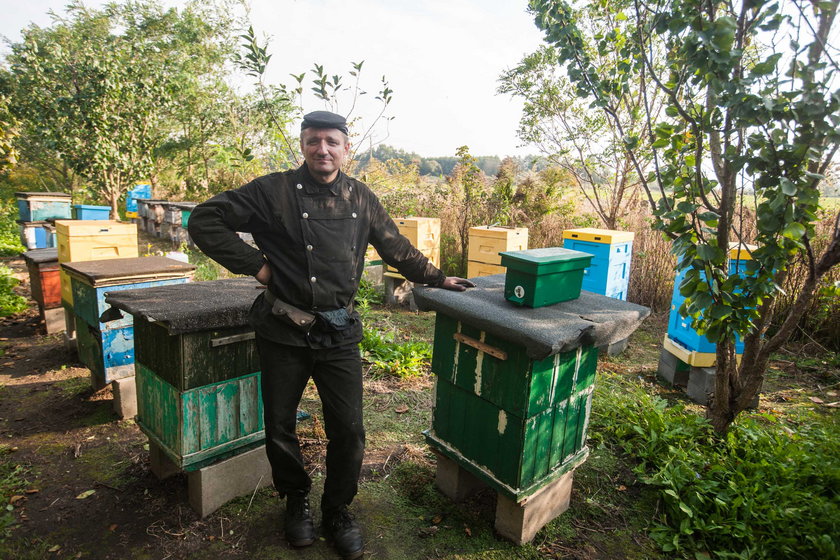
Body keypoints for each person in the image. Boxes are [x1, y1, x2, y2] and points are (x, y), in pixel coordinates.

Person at [188, 110, 474, 560]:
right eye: (313, 141)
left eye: (331, 142)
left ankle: (338, 508)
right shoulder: (271, 190)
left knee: (350, 429)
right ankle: (296, 499)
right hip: (282, 328)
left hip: (338, 332)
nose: (323, 149)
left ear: (346, 148)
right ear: (302, 145)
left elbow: (395, 246)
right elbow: (205, 220)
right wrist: (256, 266)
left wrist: (437, 278)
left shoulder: (361, 197)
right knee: (279, 424)